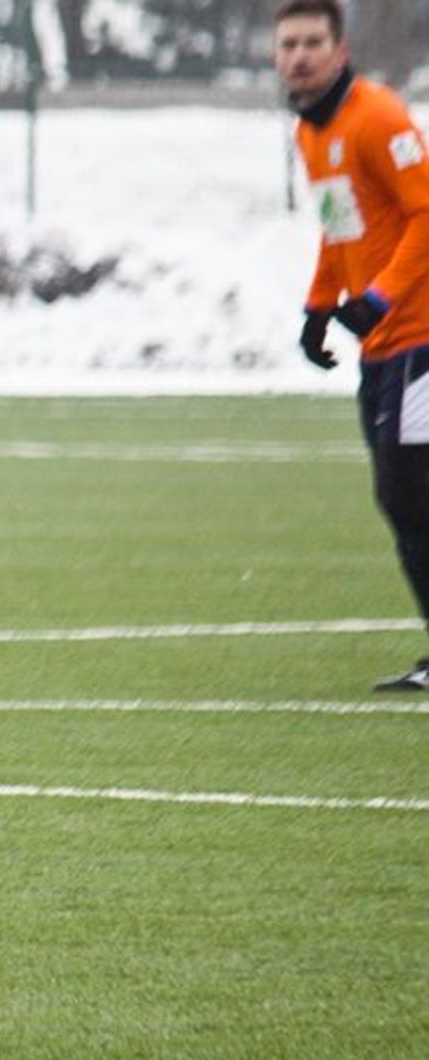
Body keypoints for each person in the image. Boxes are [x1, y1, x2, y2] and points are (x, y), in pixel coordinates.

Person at [278, 0, 429, 692]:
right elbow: (341, 226)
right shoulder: (313, 133)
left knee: (411, 495)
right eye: (287, 44)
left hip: (420, 341)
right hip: (380, 352)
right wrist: (318, 307)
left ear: (339, 52)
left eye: (312, 42)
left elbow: (424, 214)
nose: (298, 55)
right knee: (401, 500)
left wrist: (378, 297)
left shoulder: (377, 117)